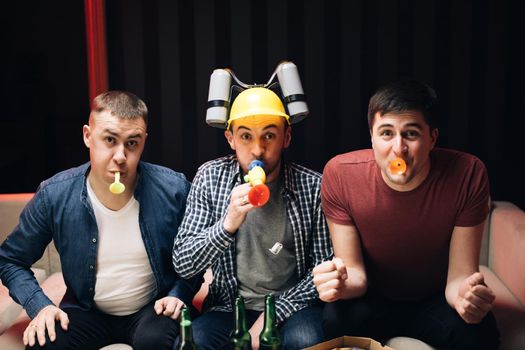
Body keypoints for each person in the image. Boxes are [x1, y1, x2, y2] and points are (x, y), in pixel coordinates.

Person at [0, 91, 201, 350]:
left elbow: (198, 256)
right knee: (44, 343)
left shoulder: (174, 189)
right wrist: (41, 306)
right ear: (87, 136)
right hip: (86, 310)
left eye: (132, 143)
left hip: (152, 308)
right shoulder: (55, 194)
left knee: (156, 341)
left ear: (144, 141)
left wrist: (178, 295)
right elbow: (10, 260)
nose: (120, 156)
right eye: (109, 140)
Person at [312, 79, 500, 349]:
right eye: (386, 133)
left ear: (432, 138)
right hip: (372, 299)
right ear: (372, 137)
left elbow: (459, 275)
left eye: (411, 134)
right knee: (334, 319)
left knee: (479, 333)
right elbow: (355, 273)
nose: (398, 149)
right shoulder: (340, 174)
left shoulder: (468, 173)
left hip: (435, 299)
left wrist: (465, 297)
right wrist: (339, 283)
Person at [172, 87, 332, 350]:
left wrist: (272, 316)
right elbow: (184, 263)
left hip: (293, 307)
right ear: (230, 138)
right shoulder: (210, 178)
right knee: (191, 343)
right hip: (229, 307)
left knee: (306, 342)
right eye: (246, 136)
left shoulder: (313, 186)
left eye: (269, 135)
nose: (258, 150)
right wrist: (227, 225)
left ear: (287, 136)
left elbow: (321, 270)